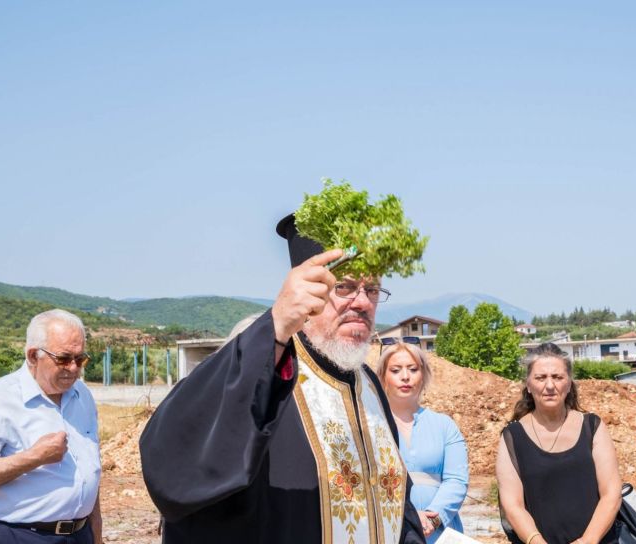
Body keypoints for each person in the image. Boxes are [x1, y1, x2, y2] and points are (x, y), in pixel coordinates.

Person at [139, 214, 425, 544]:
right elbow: (176, 458)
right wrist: (274, 326)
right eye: (344, 286)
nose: (362, 302)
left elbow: (395, 504)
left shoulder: (371, 387)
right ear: (309, 292)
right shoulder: (266, 372)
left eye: (372, 289)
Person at [0, 309, 102, 544]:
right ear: (34, 356)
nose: (74, 368)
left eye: (80, 359)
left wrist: (96, 528)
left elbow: (90, 469)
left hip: (80, 534)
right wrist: (34, 457)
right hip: (20, 536)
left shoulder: (82, 395)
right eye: (64, 359)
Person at [495, 343, 621, 544]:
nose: (550, 385)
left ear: (569, 383)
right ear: (528, 385)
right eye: (540, 377)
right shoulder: (512, 437)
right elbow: (513, 505)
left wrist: (587, 541)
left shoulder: (592, 427)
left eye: (557, 377)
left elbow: (611, 493)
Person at [378, 342, 469, 543]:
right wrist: (407, 517)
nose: (405, 376)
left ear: (423, 375)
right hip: (389, 527)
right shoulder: (371, 425)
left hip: (439, 531)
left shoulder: (444, 425)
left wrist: (434, 517)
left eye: (413, 369)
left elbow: (457, 480)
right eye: (395, 370)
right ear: (383, 377)